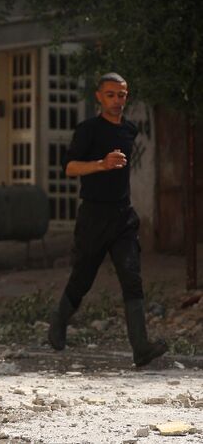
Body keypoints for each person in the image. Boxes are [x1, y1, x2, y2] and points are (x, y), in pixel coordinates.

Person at [48, 72, 167, 367]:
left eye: (122, 95)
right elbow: (70, 168)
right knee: (83, 277)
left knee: (132, 278)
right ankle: (58, 322)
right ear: (99, 97)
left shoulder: (129, 130)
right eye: (111, 95)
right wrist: (101, 164)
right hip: (93, 215)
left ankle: (141, 348)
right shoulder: (88, 130)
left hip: (122, 216)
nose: (117, 100)